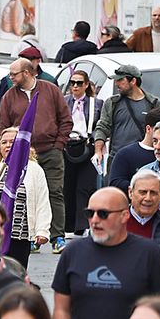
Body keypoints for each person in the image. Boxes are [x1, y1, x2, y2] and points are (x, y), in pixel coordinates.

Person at [53, 186, 160, 319]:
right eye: (89, 213)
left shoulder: (148, 253)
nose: (94, 220)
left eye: (103, 214)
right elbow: (61, 310)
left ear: (124, 216)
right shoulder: (73, 252)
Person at [0, 127, 53, 266]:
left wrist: (42, 230)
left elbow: (42, 201)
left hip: (19, 235)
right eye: (4, 142)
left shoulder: (34, 169)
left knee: (17, 274)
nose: (8, 145)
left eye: (13, 141)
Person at [94, 64, 160, 172]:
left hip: (145, 160)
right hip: (117, 158)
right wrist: (98, 151)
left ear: (133, 81)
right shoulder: (112, 103)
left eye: (120, 80)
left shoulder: (154, 104)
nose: (116, 84)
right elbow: (103, 127)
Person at [63, 68, 103, 236]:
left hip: (87, 146)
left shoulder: (96, 103)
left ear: (86, 85)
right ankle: (68, 226)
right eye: (72, 83)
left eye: (79, 83)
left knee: (85, 187)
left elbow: (101, 125)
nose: (75, 86)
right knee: (67, 186)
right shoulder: (64, 101)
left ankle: (82, 225)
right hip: (67, 146)